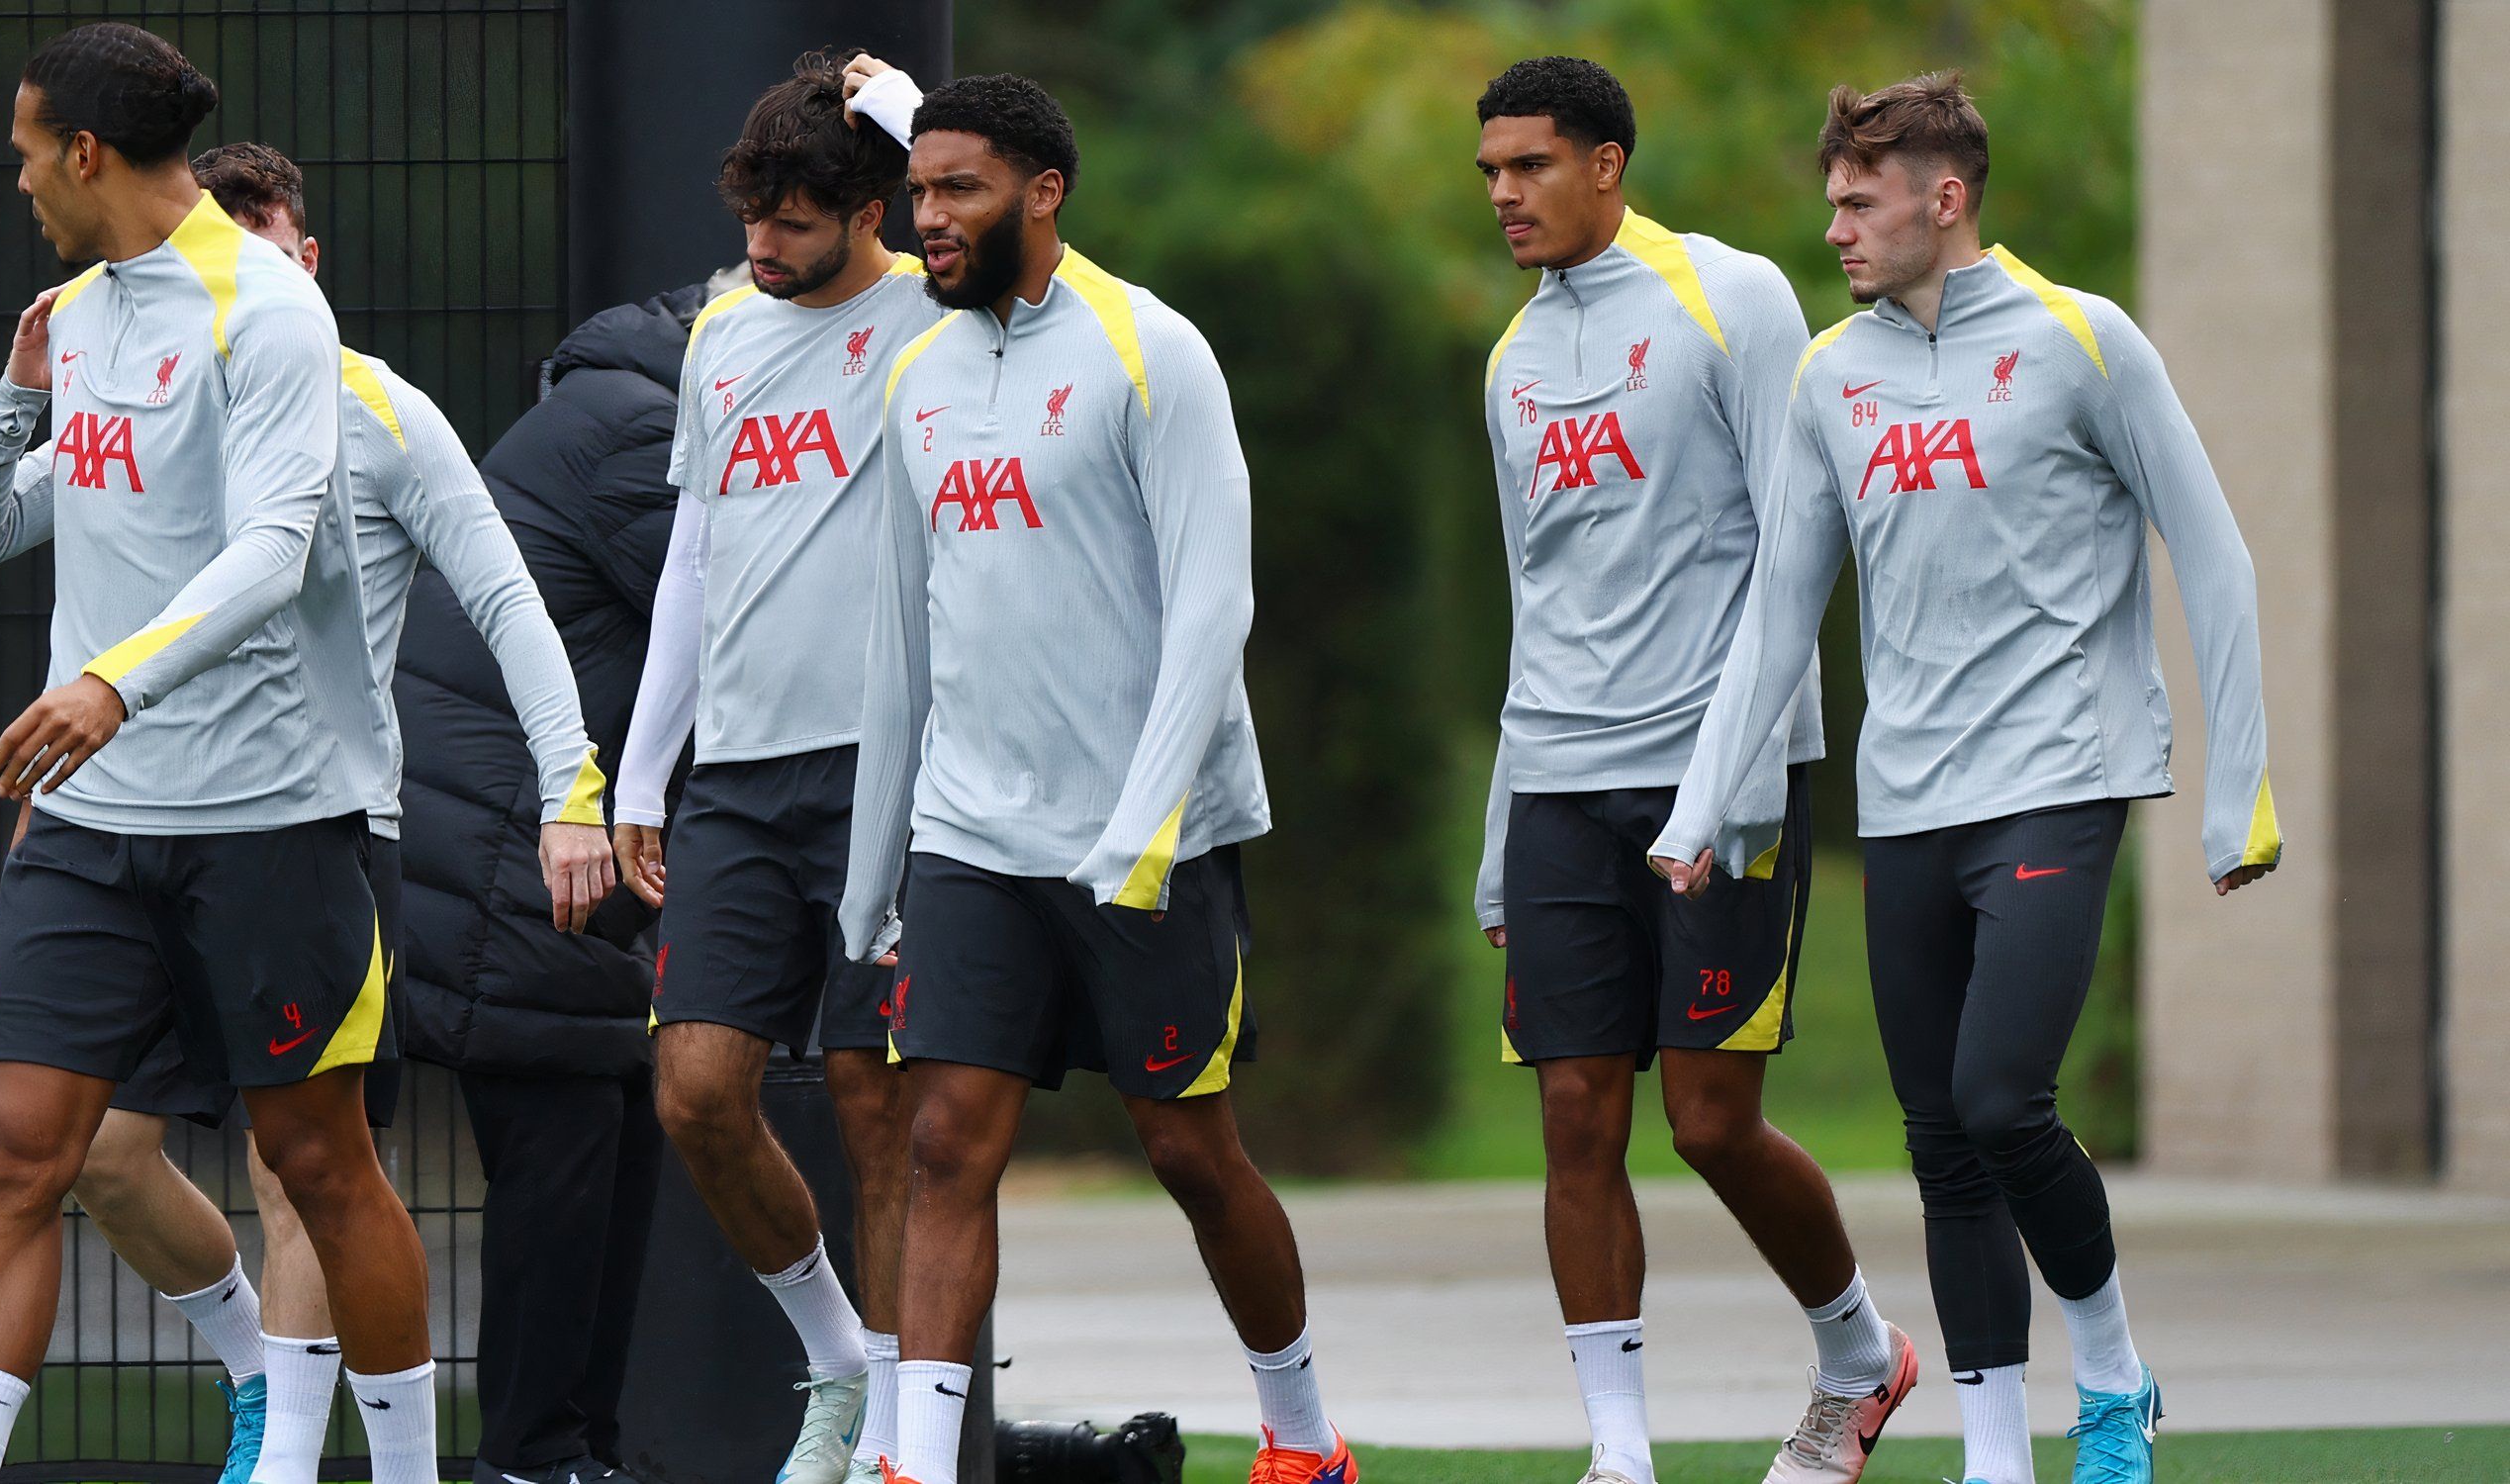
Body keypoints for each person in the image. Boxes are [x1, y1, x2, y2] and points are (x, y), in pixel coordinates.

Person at [1649, 72, 2278, 1484]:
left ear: (1946, 199)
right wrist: (1701, 809)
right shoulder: (1828, 374)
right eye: (1830, 205)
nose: (1837, 231)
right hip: (1909, 803)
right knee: (1940, 1143)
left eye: (1860, 204)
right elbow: (1776, 611)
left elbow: (2215, 555)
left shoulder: (2082, 343)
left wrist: (2239, 791)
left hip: (2061, 778)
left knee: (2004, 1102)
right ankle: (1996, 1457)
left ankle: (2111, 1371)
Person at [31, 140, 616, 1484]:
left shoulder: (381, 413)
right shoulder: (141, 393)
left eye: (274, 245)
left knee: (306, 1165)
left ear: (309, 260)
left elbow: (512, 602)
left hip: (310, 839)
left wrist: (574, 789)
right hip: (134, 833)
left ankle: (289, 1461)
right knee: (99, 1156)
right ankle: (254, 1372)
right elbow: (91, 600)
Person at [0, 26, 442, 1484]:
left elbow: (275, 548)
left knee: (326, 1171)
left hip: (272, 820)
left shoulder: (270, 313)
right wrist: (12, 394)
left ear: (84, 154)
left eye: (28, 152)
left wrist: (114, 684)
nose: (17, 179)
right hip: (90, 825)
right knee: (16, 1155)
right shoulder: (76, 317)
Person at [839, 71, 1355, 1484]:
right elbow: (901, 638)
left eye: (958, 191)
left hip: (1150, 843)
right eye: (918, 190)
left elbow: (1213, 608)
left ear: (1043, 194)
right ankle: (922, 1466)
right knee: (947, 1140)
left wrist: (1143, 828)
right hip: (972, 837)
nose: (924, 218)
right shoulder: (918, 375)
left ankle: (1305, 1441)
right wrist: (869, 878)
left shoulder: (1153, 352)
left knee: (1190, 1153)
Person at [1466, 56, 1911, 1484]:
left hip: (1716, 783)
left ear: (1606, 163)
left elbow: (1802, 559)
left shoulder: (1733, 297)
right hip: (1555, 785)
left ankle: (1860, 1354)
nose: (1503, 196)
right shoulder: (1512, 361)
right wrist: (1497, 834)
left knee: (1712, 1120)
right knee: (1574, 1114)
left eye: (1529, 166)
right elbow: (1533, 602)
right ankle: (1619, 1456)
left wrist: (1733, 786)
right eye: (1488, 173)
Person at [605, 49, 941, 1484]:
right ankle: (843, 1364)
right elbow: (693, 553)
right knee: (694, 1089)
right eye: (754, 213)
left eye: (799, 219)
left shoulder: (945, 315)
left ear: (875, 209)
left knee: (879, 1100)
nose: (763, 243)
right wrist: (639, 774)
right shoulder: (725, 331)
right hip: (735, 780)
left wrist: (918, 120)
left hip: (890, 769)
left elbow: (1047, 260)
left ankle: (909, 1449)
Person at [389, 275, 737, 1484]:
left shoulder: (624, 402)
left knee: (607, 1137)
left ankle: (572, 1450)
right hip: (509, 849)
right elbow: (756, 615)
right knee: (565, 1149)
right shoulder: (640, 428)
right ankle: (534, 1457)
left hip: (529, 837)